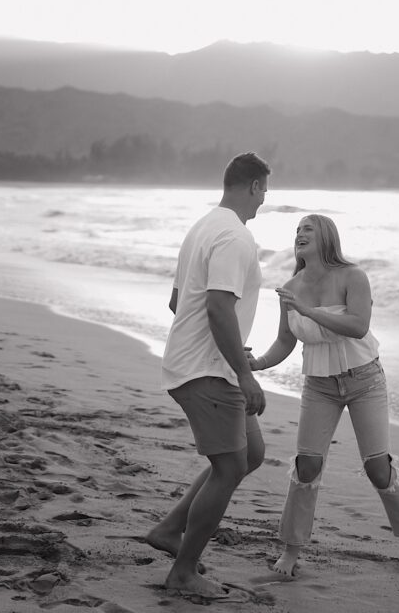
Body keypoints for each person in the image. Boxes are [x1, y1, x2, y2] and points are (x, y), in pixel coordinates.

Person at [249, 213, 399, 582]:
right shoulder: (291, 286)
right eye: (297, 229)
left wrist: (308, 310)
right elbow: (286, 341)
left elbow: (357, 325)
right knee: (306, 466)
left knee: (377, 467)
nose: (299, 233)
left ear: (327, 238)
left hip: (365, 379)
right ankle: (291, 549)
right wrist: (256, 364)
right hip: (318, 385)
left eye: (308, 229)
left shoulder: (353, 277)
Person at [146, 152, 271, 599]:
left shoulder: (202, 226)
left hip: (204, 362)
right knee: (230, 465)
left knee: (251, 452)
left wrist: (234, 350)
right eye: (264, 191)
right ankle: (183, 571)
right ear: (254, 186)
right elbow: (217, 306)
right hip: (207, 371)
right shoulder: (236, 236)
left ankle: (168, 529)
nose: (263, 202)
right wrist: (243, 370)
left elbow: (179, 303)